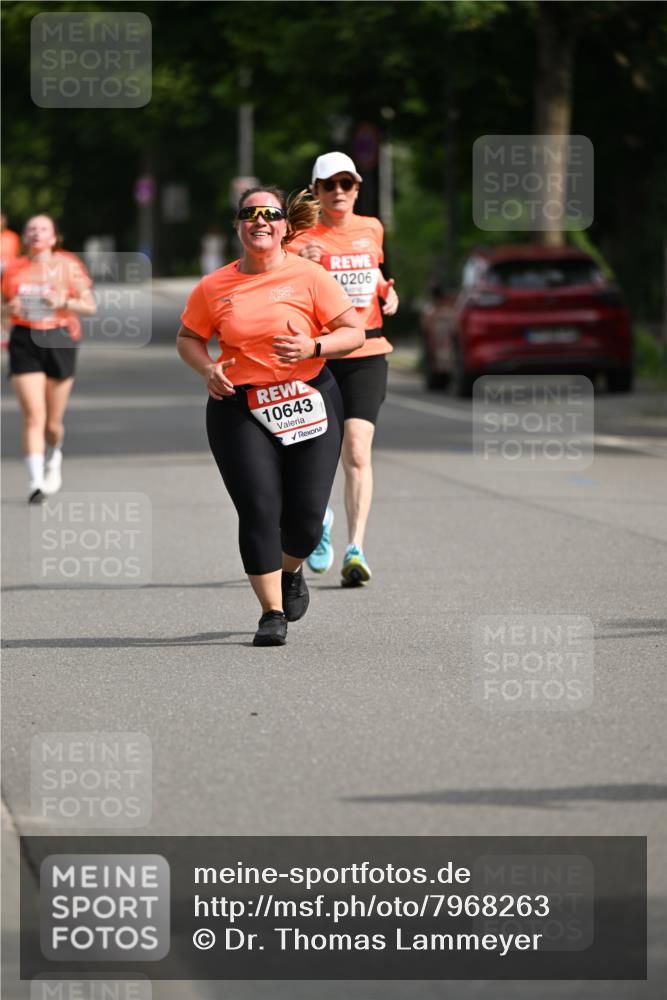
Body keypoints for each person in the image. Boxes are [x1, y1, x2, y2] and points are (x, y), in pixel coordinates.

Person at [176, 186, 364, 647]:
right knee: (259, 508)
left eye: (270, 214)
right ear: (238, 225)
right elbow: (188, 336)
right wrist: (207, 368)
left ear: (284, 225)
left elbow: (353, 332)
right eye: (249, 214)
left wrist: (313, 346)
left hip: (309, 397)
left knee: (306, 519)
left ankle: (290, 569)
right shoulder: (214, 285)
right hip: (239, 405)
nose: (260, 221)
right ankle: (271, 611)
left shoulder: (310, 276)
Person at [287, 152, 399, 587]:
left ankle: (356, 549)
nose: (338, 192)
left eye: (347, 184)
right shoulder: (297, 239)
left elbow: (375, 276)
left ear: (357, 188)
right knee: (318, 454)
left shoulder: (372, 228)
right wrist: (305, 264)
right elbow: (283, 294)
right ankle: (322, 521)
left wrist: (390, 294)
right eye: (329, 185)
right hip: (321, 355)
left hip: (369, 349)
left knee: (356, 450)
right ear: (314, 191)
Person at [2, 215, 96, 503]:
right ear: (25, 237)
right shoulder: (13, 269)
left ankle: (54, 453)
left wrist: (63, 303)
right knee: (33, 414)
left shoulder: (68, 266)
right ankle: (36, 482)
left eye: (43, 229)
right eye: (31, 229)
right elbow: (2, 310)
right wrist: (9, 308)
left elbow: (89, 306)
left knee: (51, 424)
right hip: (24, 340)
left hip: (59, 339)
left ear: (54, 238)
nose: (36, 233)